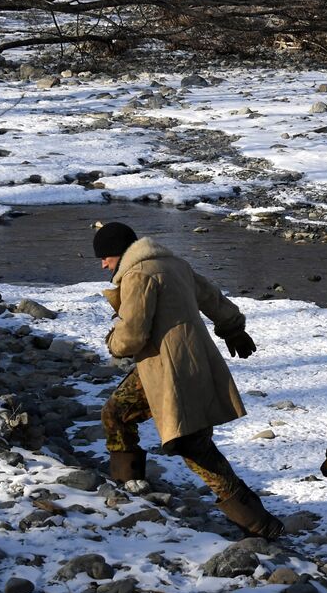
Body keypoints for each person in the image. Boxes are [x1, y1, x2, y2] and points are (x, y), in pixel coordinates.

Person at [93, 220, 284, 538]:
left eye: (105, 256)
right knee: (116, 412)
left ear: (120, 253)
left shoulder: (139, 274)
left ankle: (260, 523)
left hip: (171, 373)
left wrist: (113, 340)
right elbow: (211, 296)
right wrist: (233, 328)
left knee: (193, 446)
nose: (103, 264)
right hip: (169, 368)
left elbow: (132, 336)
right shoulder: (173, 263)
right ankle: (128, 482)